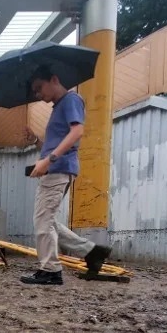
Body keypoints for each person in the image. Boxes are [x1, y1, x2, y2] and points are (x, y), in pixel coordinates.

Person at [21, 66, 112, 286]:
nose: (38, 95)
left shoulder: (71, 100)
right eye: (35, 92)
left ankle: (51, 270)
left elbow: (77, 132)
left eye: (39, 88)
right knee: (47, 220)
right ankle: (92, 251)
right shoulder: (59, 106)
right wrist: (36, 142)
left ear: (54, 79)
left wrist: (48, 160)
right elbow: (56, 144)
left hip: (58, 170)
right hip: (56, 169)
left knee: (43, 221)